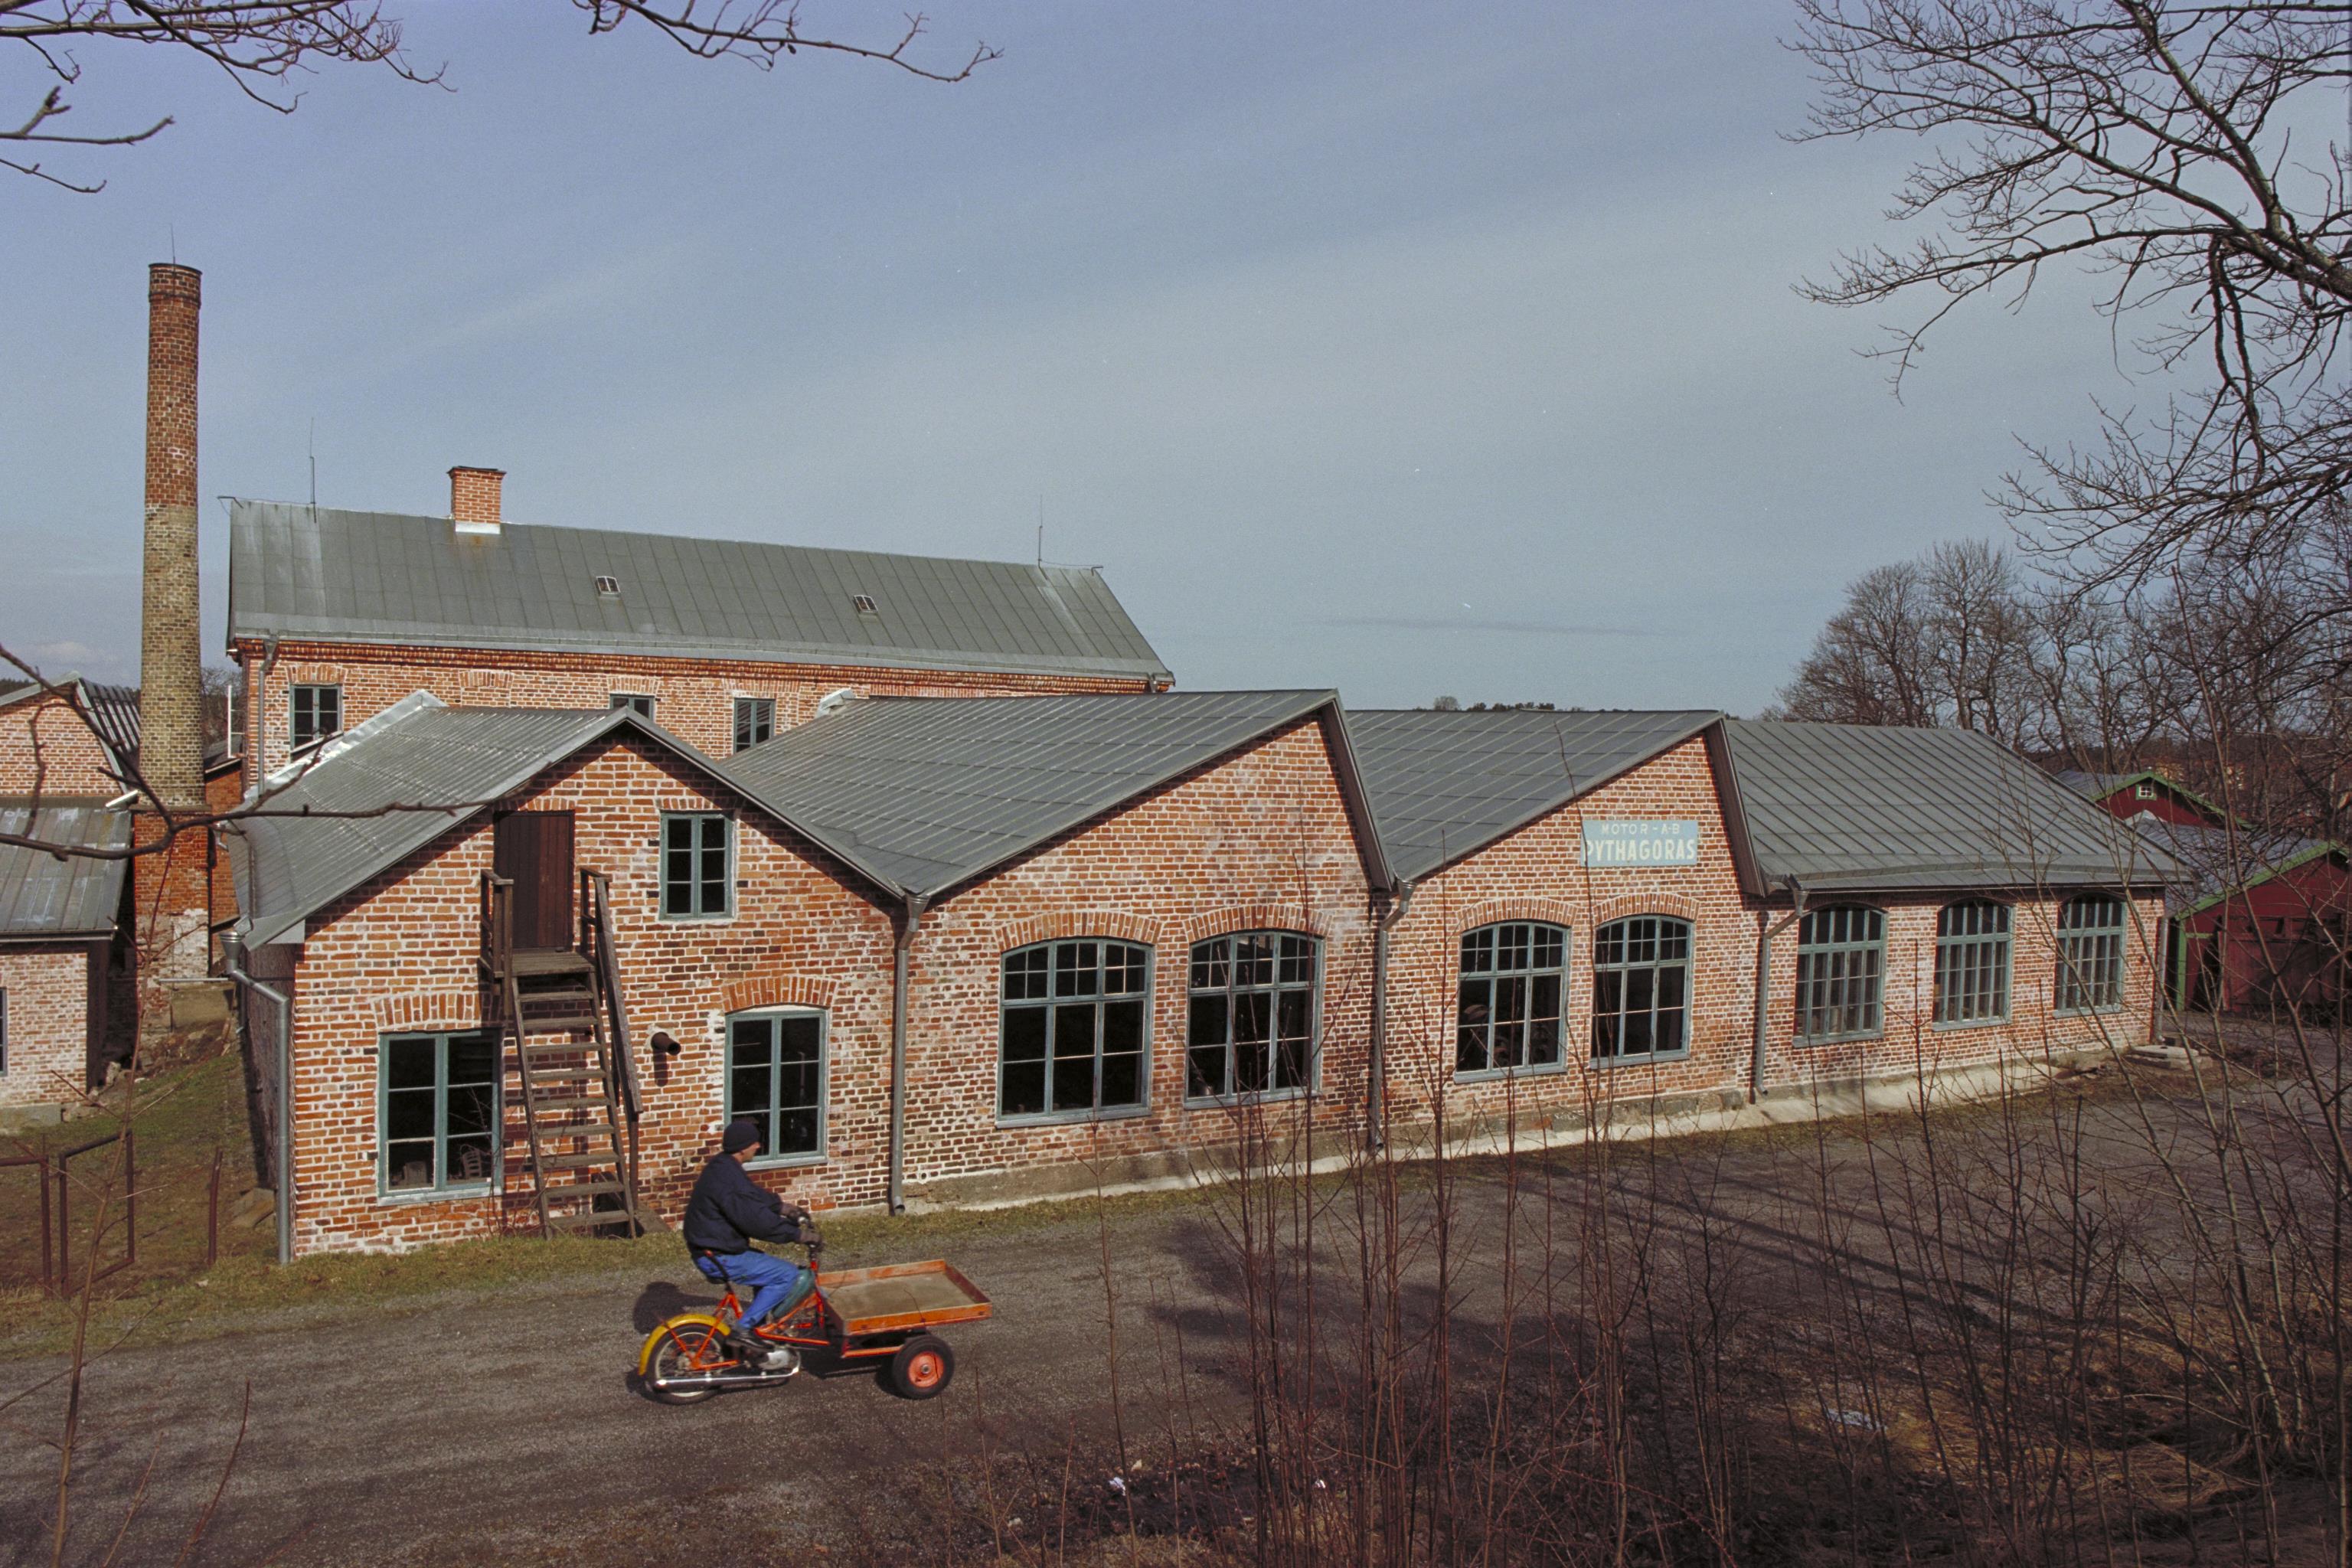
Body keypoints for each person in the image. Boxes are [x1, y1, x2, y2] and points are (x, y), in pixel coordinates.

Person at [683, 1119, 814, 1361]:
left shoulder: (723, 1166)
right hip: (718, 1255)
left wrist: (783, 1208)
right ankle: (744, 1330)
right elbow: (756, 1221)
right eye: (755, 1142)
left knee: (764, 1265)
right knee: (786, 1274)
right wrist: (798, 1235)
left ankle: (760, 1330)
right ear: (743, 1147)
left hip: (712, 1247)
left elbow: (752, 1195)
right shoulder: (728, 1178)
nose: (758, 1146)